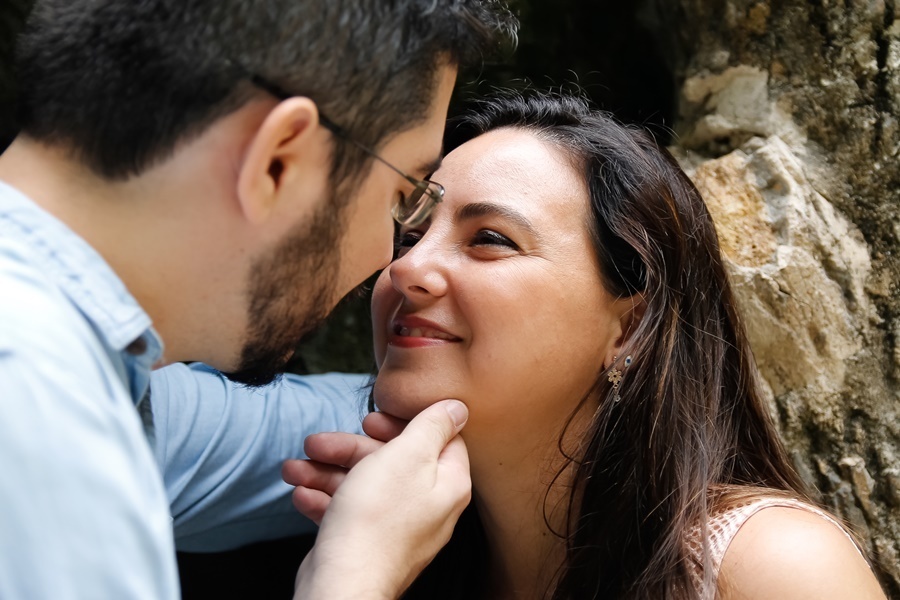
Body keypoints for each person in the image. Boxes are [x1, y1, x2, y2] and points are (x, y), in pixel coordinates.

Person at [0, 1, 516, 598]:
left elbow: (298, 422)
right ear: (279, 160)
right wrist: (350, 580)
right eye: (402, 198)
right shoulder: (38, 411)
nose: (397, 262)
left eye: (491, 240)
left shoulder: (97, 372)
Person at [284, 91, 888, 599]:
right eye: (409, 235)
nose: (406, 268)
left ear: (629, 329)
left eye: (489, 238)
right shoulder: (390, 556)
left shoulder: (769, 567)